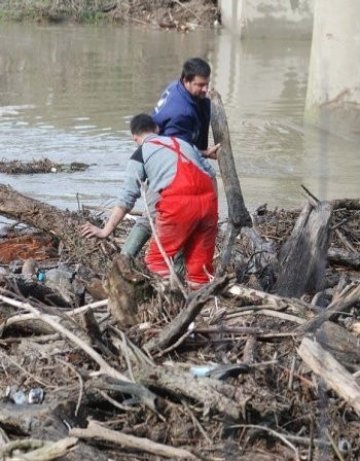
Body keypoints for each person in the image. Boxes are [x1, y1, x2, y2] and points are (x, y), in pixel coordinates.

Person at [80, 113, 218, 287]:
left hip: (179, 203)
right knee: (200, 272)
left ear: (134, 137)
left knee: (156, 261)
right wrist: (213, 209)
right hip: (209, 203)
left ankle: (168, 305)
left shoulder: (140, 154)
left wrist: (104, 231)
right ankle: (201, 308)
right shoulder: (184, 143)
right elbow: (211, 175)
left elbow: (126, 199)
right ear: (157, 129)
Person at [122, 57, 219, 258]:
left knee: (159, 216)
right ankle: (125, 258)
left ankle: (131, 259)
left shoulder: (177, 89)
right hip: (167, 170)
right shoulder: (180, 113)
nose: (205, 89)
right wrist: (204, 154)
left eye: (207, 84)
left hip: (166, 159)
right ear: (186, 80)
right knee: (156, 216)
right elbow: (175, 150)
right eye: (200, 85)